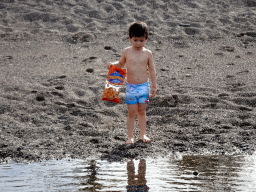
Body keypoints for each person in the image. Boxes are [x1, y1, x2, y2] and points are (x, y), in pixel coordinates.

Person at [107, 21, 157, 144]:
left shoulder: (148, 53)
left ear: (146, 39)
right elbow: (120, 64)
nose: (138, 43)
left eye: (141, 40)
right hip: (131, 87)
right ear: (130, 38)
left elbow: (151, 70)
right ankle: (130, 136)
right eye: (135, 40)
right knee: (131, 112)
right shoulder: (127, 52)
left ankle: (142, 134)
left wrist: (154, 85)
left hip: (144, 87)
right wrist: (111, 65)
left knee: (142, 111)